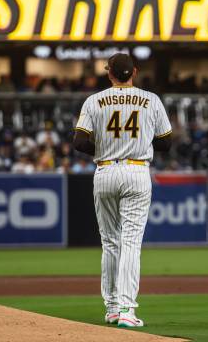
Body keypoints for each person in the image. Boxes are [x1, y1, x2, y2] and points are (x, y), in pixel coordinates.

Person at [73, 53, 172, 328]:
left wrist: (105, 149)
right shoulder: (151, 99)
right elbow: (166, 142)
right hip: (136, 170)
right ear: (134, 72)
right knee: (130, 242)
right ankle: (127, 309)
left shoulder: (94, 100)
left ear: (109, 73)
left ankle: (112, 307)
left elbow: (79, 141)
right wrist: (140, 143)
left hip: (104, 170)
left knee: (110, 242)